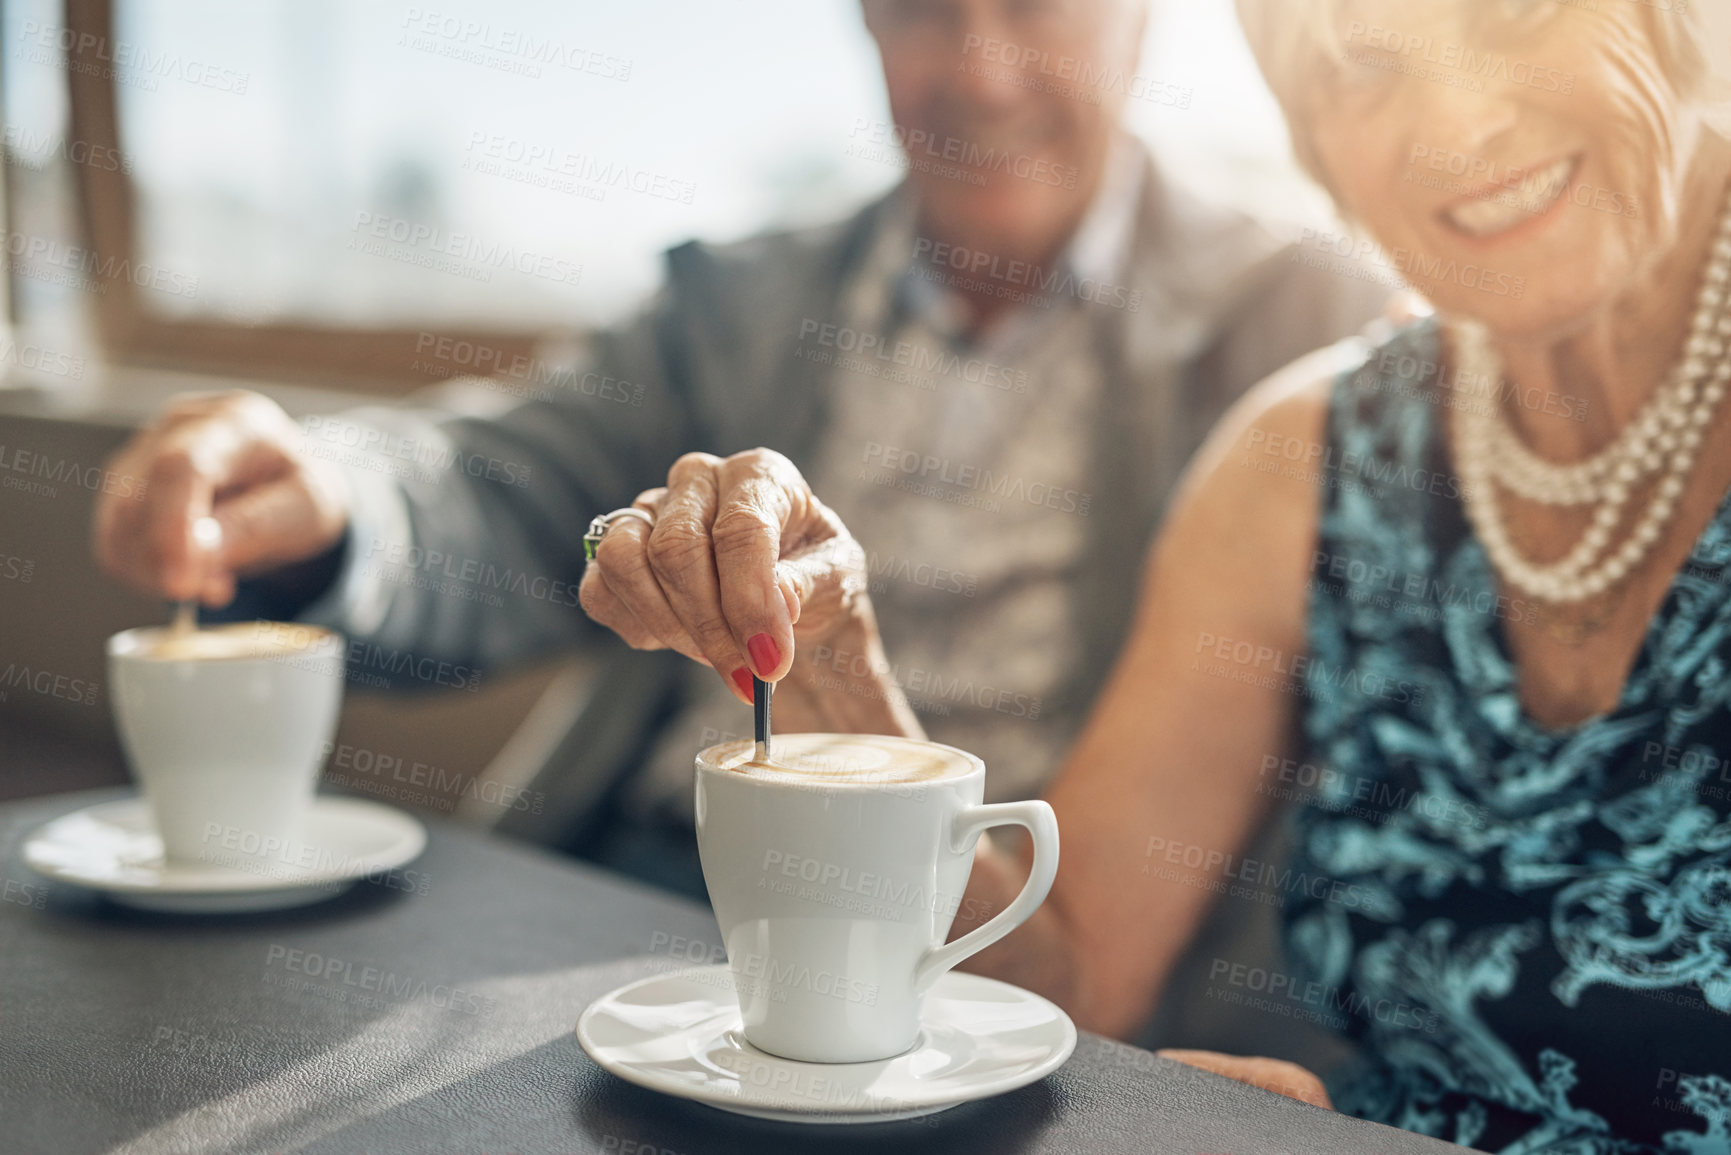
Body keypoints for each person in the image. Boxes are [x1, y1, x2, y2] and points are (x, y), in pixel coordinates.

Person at [569, 0, 1731, 1149]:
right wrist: (828, 661)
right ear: (1317, 143)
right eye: (1364, 67)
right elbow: (1067, 969)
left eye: (1517, 12)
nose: (1458, 124)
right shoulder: (1309, 455)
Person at [91, 0, 1388, 898]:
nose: (978, 70)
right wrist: (331, 499)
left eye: (1036, 6)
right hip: (641, 887)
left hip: (984, 949)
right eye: (923, 11)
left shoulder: (1301, 327)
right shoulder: (738, 302)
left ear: (1140, 22)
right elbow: (500, 488)